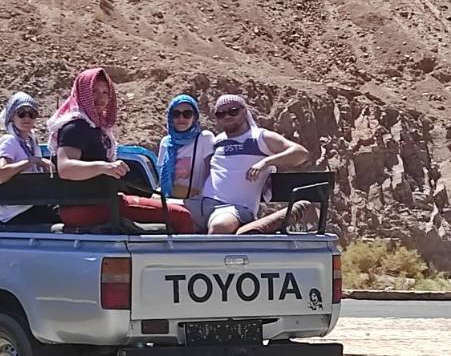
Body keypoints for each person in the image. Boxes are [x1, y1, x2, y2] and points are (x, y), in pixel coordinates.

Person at [47, 67, 195, 233]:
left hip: (98, 200)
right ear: (82, 93)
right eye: (93, 91)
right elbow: (66, 168)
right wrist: (105, 167)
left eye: (105, 92)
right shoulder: (76, 126)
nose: (100, 98)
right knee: (181, 216)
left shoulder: (95, 128)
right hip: (86, 205)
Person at [201, 94, 314, 234]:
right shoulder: (218, 141)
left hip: (236, 208)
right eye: (221, 114)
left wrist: (265, 162)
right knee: (169, 212)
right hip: (204, 203)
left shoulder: (260, 137)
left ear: (244, 111)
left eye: (233, 111)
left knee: (219, 227)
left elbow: (300, 153)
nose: (227, 116)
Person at [0, 91, 55, 227]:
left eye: (32, 114)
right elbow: (0, 174)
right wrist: (33, 161)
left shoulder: (31, 142)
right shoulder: (10, 141)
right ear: (12, 116)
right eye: (21, 113)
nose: (27, 118)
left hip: (34, 205)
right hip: (17, 214)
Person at [157, 94, 216, 230]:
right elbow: (161, 176)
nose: (181, 118)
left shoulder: (204, 138)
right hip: (170, 200)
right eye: (176, 114)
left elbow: (211, 174)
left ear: (195, 117)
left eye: (187, 114)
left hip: (195, 203)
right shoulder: (166, 142)